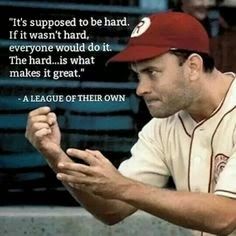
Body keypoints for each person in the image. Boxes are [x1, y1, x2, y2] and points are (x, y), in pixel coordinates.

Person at [25, 12, 236, 236]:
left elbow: (226, 216)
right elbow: (112, 209)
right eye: (138, 75)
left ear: (193, 66)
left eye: (152, 72)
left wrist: (123, 187)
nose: (140, 89)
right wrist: (55, 156)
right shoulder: (161, 127)